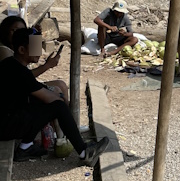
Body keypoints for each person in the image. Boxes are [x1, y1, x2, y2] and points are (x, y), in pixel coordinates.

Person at [0, 27, 109, 164]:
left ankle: (25, 148)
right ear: (22, 50)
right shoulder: (21, 73)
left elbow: (32, 87)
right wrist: (63, 107)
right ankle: (84, 152)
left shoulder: (10, 64)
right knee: (58, 106)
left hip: (7, 118)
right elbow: (51, 99)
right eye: (35, 46)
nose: (39, 51)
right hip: (5, 126)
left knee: (44, 105)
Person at [0, 16, 67, 101]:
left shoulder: (18, 47)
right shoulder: (4, 50)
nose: (19, 33)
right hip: (16, 93)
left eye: (23, 30)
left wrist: (35, 36)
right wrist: (47, 66)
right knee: (58, 92)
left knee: (61, 85)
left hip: (25, 86)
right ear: (4, 31)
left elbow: (35, 57)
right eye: (15, 30)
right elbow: (22, 77)